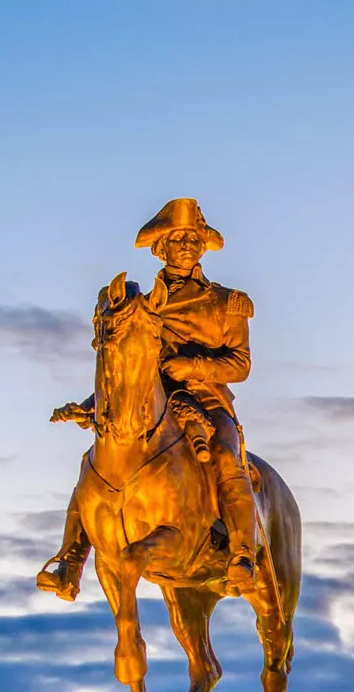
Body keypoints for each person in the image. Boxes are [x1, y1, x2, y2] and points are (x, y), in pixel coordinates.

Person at [37, 198, 262, 597]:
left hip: (208, 401)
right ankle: (70, 560)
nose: (187, 245)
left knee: (226, 455)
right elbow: (127, 362)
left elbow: (239, 365)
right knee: (96, 459)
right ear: (162, 247)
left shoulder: (228, 302)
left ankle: (242, 554)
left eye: (194, 238)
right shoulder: (142, 305)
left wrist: (189, 367)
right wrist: (92, 404)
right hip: (147, 400)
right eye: (178, 238)